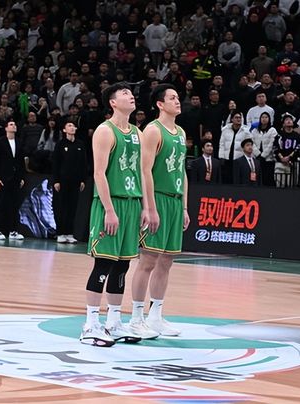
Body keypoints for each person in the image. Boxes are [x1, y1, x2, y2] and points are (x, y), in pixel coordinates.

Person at [82, 82, 144, 347]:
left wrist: (145, 206)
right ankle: (90, 325)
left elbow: (141, 172)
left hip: (132, 203)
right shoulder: (105, 131)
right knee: (104, 264)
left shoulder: (137, 132)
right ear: (113, 102)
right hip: (111, 203)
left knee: (122, 265)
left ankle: (114, 322)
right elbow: (99, 173)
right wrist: (109, 210)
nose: (131, 96)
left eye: (131, 93)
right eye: (125, 93)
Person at [130, 84, 189, 339]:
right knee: (148, 261)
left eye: (178, 97)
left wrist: (184, 206)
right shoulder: (153, 130)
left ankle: (156, 315)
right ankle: (136, 317)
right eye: (172, 98)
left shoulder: (181, 132)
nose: (178, 101)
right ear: (160, 104)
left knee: (167, 261)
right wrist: (150, 207)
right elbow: (145, 171)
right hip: (158, 199)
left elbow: (182, 171)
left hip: (175, 201)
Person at [52, 119, 87, 244]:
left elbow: (84, 163)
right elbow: (55, 163)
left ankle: (69, 233)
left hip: (75, 181)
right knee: (61, 207)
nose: (72, 128)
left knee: (72, 208)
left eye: (74, 126)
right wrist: (56, 180)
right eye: (69, 125)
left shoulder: (80, 144)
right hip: (62, 181)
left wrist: (83, 179)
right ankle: (60, 233)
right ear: (64, 129)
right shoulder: (60, 144)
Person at [0, 119, 25, 241]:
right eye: (11, 124)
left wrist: (21, 177)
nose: (13, 126)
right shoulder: (0, 142)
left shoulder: (19, 142)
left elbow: (21, 162)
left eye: (14, 124)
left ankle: (13, 231)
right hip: (4, 178)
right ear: (6, 128)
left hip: (15, 178)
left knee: (14, 205)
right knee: (1, 204)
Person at [219, 112, 251, 183]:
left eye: (240, 118)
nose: (238, 119)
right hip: (227, 158)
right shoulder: (225, 130)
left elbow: (249, 145)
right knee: (227, 179)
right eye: (236, 117)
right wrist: (221, 156)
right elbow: (222, 144)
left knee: (237, 179)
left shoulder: (246, 131)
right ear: (232, 119)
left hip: (239, 159)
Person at [251, 112, 277, 187]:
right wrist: (258, 154)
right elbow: (252, 142)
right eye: (262, 117)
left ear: (269, 119)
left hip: (269, 159)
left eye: (266, 117)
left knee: (268, 179)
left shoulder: (272, 130)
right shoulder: (255, 130)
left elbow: (271, 144)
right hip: (256, 158)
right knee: (256, 178)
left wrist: (263, 155)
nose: (264, 119)